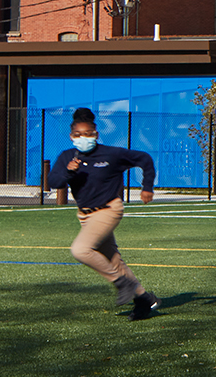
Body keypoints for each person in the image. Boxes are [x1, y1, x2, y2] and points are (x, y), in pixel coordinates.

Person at [47, 108, 160, 320]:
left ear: (96, 134)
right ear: (71, 137)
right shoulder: (67, 157)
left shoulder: (111, 154)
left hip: (109, 209)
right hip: (85, 216)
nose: (84, 138)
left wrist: (147, 187)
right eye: (79, 135)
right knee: (113, 259)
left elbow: (144, 159)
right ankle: (144, 300)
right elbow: (53, 182)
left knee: (80, 250)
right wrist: (68, 171)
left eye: (88, 133)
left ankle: (121, 283)